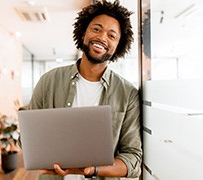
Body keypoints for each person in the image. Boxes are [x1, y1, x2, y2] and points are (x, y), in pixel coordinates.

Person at [27, 0, 142, 179]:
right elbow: (28, 140)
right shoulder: (48, 81)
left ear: (118, 46)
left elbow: (133, 159)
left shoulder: (128, 94)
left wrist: (93, 169)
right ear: (83, 33)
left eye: (111, 35)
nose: (102, 38)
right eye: (96, 29)